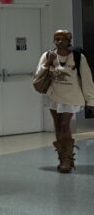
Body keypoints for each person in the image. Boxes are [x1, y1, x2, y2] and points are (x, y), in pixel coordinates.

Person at [35, 29, 94, 173]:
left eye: (62, 39)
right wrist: (48, 62)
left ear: (69, 40)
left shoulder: (78, 57)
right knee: (57, 125)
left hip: (72, 97)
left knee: (64, 124)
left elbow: (87, 80)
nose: (59, 41)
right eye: (56, 39)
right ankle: (63, 158)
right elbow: (38, 75)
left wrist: (91, 101)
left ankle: (68, 160)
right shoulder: (48, 55)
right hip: (54, 96)